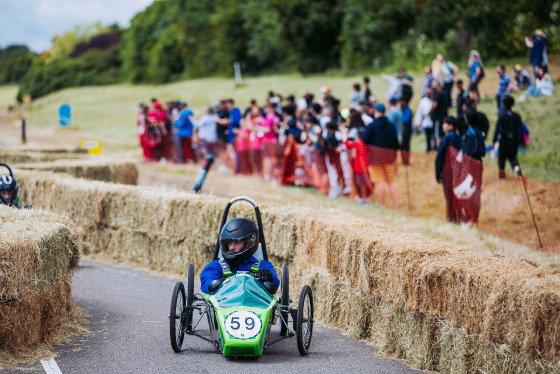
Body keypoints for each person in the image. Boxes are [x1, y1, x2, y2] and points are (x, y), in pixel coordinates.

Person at [200, 218, 279, 294]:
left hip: (255, 304)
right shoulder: (216, 266)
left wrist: (270, 278)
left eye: (237, 243)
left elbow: (275, 284)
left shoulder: (263, 265)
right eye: (229, 243)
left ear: (248, 244)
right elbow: (207, 281)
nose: (231, 247)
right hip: (225, 304)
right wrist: (216, 284)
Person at [362, 103, 399, 208]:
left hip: (375, 158)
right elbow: (396, 143)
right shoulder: (391, 126)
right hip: (389, 158)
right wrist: (394, 157)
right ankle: (396, 204)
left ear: (375, 111)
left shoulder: (372, 125)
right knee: (391, 181)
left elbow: (365, 140)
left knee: (380, 182)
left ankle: (381, 204)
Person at [435, 117, 462, 222]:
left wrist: (437, 173)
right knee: (458, 194)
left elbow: (439, 158)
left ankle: (451, 218)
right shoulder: (460, 138)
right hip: (459, 169)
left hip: (447, 170)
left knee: (449, 194)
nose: (443, 126)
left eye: (445, 124)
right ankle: (459, 216)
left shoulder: (445, 139)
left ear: (451, 126)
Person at [460, 111, 486, 224]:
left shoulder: (470, 133)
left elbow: (468, 152)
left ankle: (470, 216)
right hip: (479, 163)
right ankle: (475, 215)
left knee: (469, 188)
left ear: (467, 120)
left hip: (471, 164)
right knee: (477, 189)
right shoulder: (479, 131)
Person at [493, 96, 525, 179]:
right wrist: (522, 141)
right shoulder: (516, 116)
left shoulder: (502, 116)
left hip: (504, 140)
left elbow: (498, 129)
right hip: (514, 140)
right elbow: (520, 129)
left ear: (504, 104)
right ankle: (515, 168)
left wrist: (494, 140)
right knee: (512, 157)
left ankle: (502, 177)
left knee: (502, 158)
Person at [344, 129, 371, 205]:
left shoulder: (358, 142)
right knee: (365, 182)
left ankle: (364, 198)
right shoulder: (367, 143)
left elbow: (347, 144)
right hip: (366, 166)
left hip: (360, 167)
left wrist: (347, 138)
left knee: (362, 183)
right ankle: (365, 197)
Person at [414, 87, 435, 151]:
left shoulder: (434, 100)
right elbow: (419, 112)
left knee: (434, 139)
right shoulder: (423, 101)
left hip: (432, 123)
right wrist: (418, 122)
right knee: (427, 140)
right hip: (425, 124)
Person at [430, 80, 448, 146]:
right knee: (441, 135)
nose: (432, 84)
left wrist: (429, 112)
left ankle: (439, 151)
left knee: (438, 136)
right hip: (443, 117)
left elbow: (435, 105)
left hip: (438, 118)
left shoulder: (438, 94)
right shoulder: (444, 93)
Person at [399, 97, 413, 166]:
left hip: (406, 131)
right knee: (402, 146)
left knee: (406, 146)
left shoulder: (407, 110)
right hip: (403, 131)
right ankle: (404, 160)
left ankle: (406, 161)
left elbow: (406, 120)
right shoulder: (402, 110)